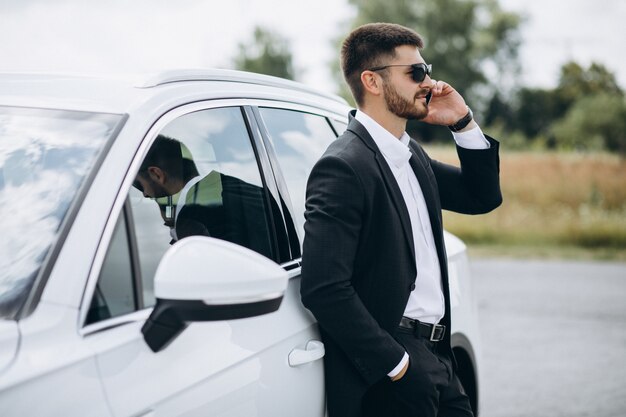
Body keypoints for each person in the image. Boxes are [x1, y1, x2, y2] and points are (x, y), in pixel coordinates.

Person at [300, 23, 502, 417]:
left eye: (426, 68)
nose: (428, 82)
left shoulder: (411, 155)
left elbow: (482, 197)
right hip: (395, 370)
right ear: (372, 81)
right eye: (415, 72)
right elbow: (323, 287)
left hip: (439, 357)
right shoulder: (343, 166)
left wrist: (463, 123)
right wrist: (396, 365)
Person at [133, 135, 274, 258]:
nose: (145, 193)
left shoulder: (195, 221)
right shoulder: (237, 189)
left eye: (139, 185)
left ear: (156, 174)